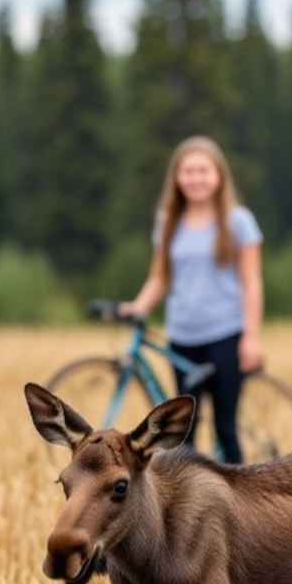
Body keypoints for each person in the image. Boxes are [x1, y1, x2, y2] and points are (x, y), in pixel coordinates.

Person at [120, 135, 263, 464]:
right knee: (184, 433)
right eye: (188, 171)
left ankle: (238, 507)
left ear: (219, 176)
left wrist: (251, 338)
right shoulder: (167, 222)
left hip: (226, 334)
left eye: (203, 171)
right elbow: (161, 276)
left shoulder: (239, 222)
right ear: (177, 178)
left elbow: (252, 282)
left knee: (225, 429)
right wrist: (138, 306)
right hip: (182, 337)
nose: (196, 179)